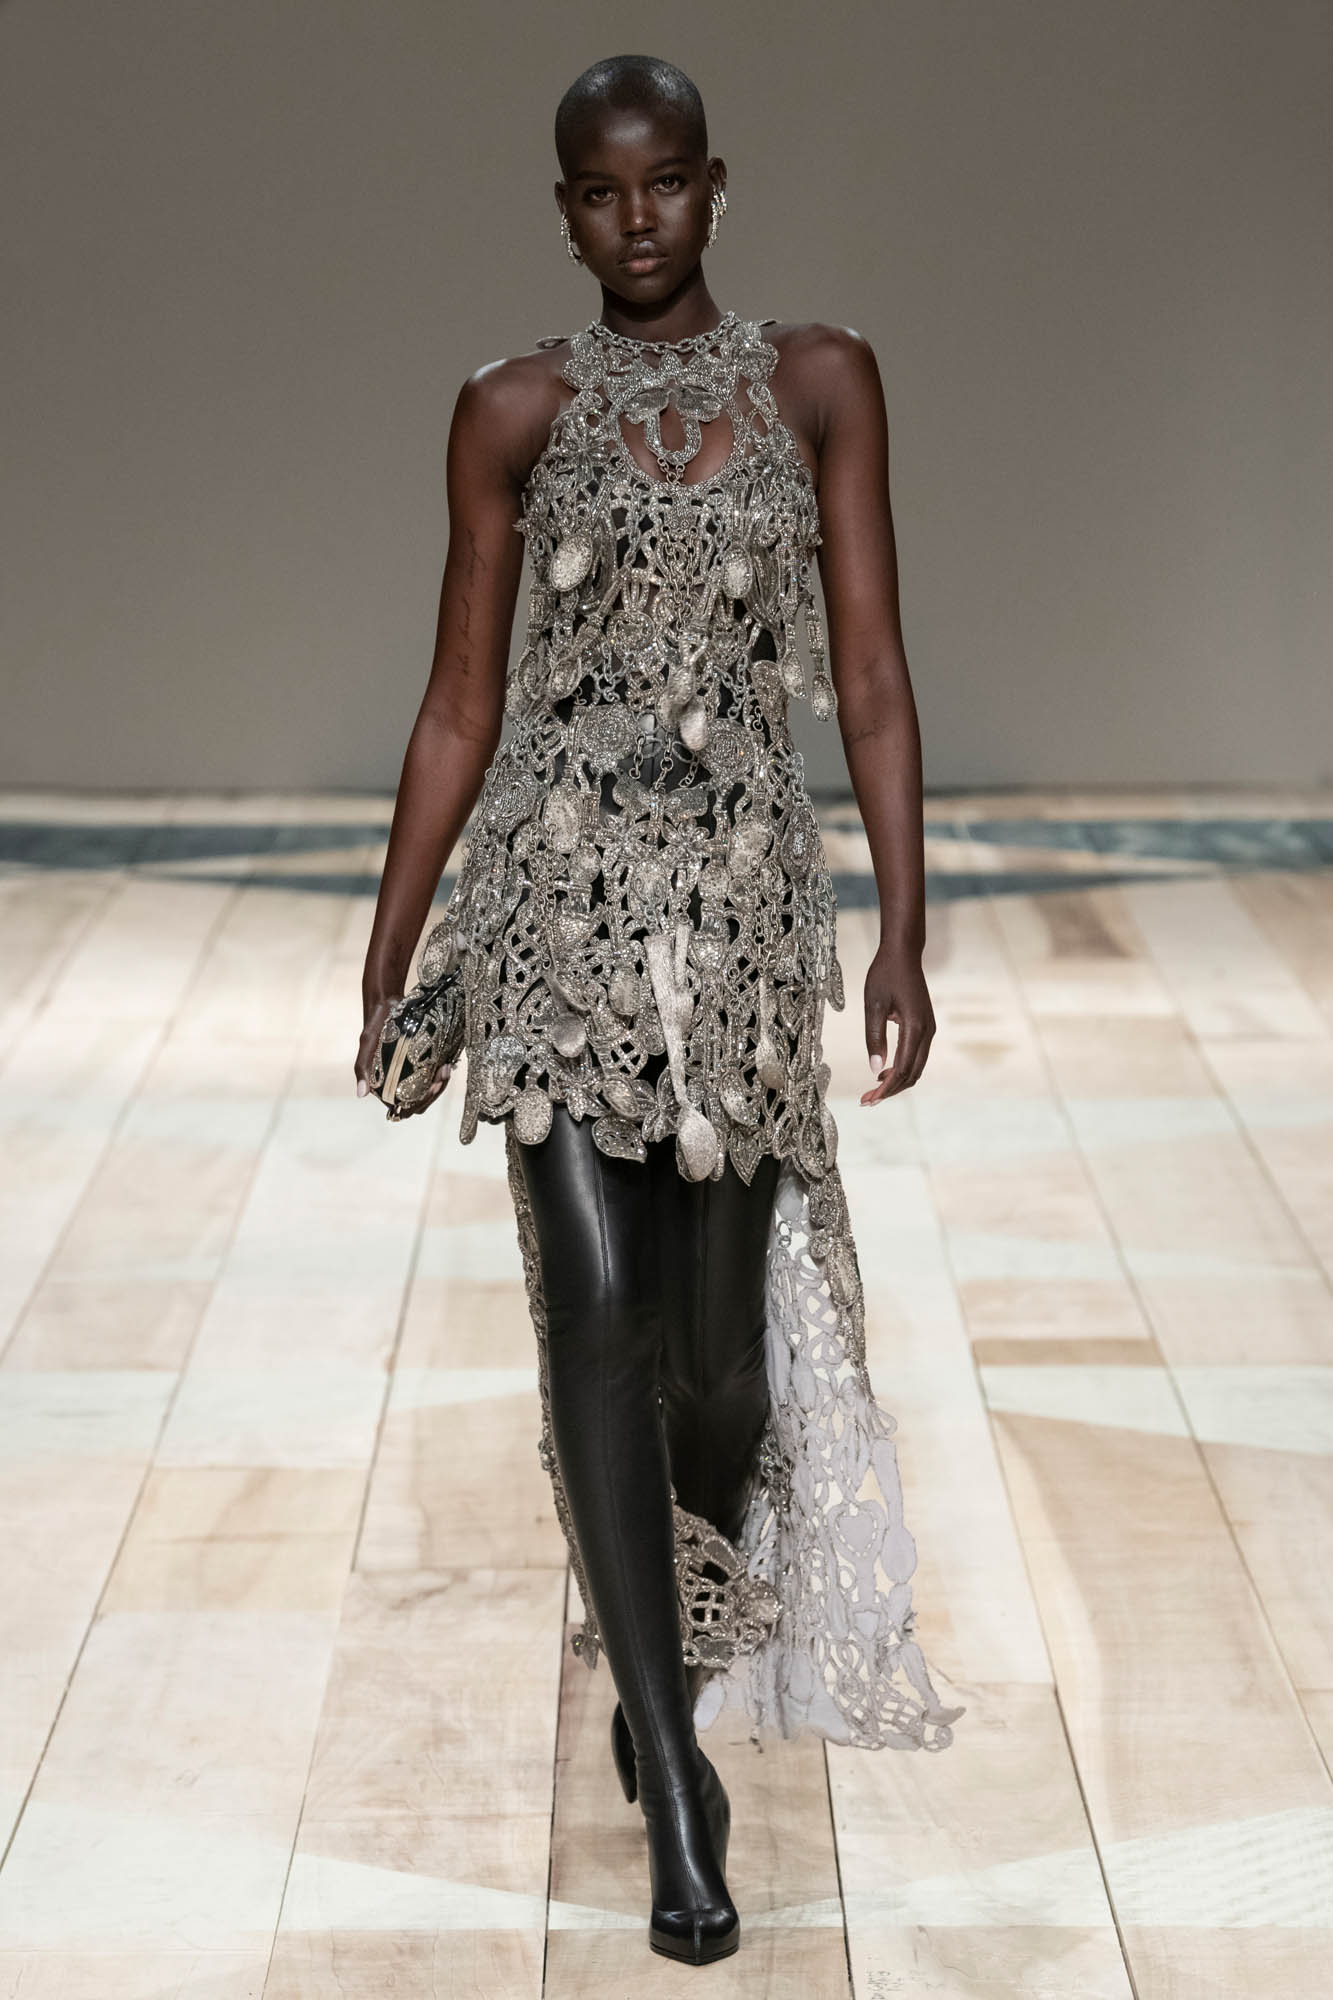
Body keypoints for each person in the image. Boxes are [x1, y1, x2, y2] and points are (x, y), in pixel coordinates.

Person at [355, 52, 963, 1969]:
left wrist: (905, 930)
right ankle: (678, 1785)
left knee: (718, 1373)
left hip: (747, 922)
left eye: (669, 182)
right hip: (555, 908)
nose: (640, 218)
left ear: (716, 185)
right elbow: (462, 696)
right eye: (604, 192)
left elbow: (870, 674)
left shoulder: (821, 383)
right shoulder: (508, 410)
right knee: (599, 1312)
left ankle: (663, 1656)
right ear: (564, 212)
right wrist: (394, 935)